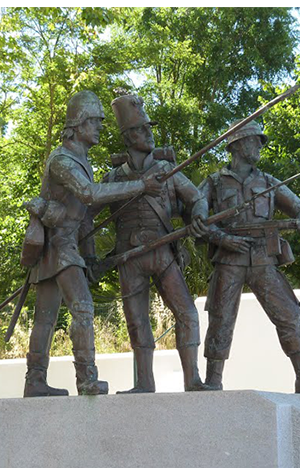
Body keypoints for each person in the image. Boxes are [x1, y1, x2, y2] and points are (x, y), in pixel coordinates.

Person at [23, 91, 162, 397]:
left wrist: (93, 258)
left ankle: (35, 381)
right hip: (58, 247)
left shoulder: (80, 160)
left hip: (66, 245)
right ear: (79, 123)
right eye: (96, 122)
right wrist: (141, 186)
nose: (100, 127)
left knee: (45, 318)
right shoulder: (62, 160)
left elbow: (84, 218)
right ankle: (86, 378)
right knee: (82, 308)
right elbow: (89, 195)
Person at [196, 120, 300, 396]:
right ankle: (213, 381)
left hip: (263, 259)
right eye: (254, 140)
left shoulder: (270, 183)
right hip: (228, 259)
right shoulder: (213, 182)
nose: (260, 145)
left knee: (291, 316)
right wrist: (223, 239)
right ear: (236, 145)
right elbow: (198, 221)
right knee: (221, 318)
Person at [102, 93, 211, 393]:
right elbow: (88, 216)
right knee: (137, 322)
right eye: (141, 129)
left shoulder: (167, 171)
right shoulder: (112, 180)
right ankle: (144, 383)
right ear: (127, 137)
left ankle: (193, 380)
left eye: (149, 128)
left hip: (163, 252)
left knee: (187, 313)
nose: (149, 133)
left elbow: (197, 199)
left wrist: (198, 216)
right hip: (129, 257)